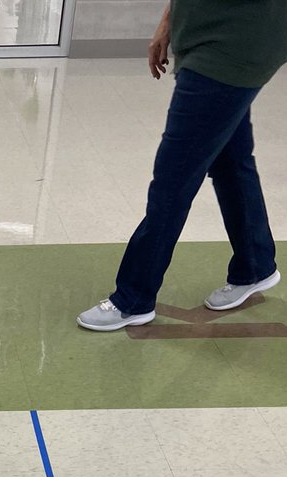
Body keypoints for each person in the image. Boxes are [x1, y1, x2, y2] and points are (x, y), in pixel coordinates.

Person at [78, 0, 286, 332]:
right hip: (211, 40)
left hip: (231, 48)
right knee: (230, 161)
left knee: (173, 180)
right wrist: (169, 20)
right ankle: (255, 264)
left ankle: (133, 298)